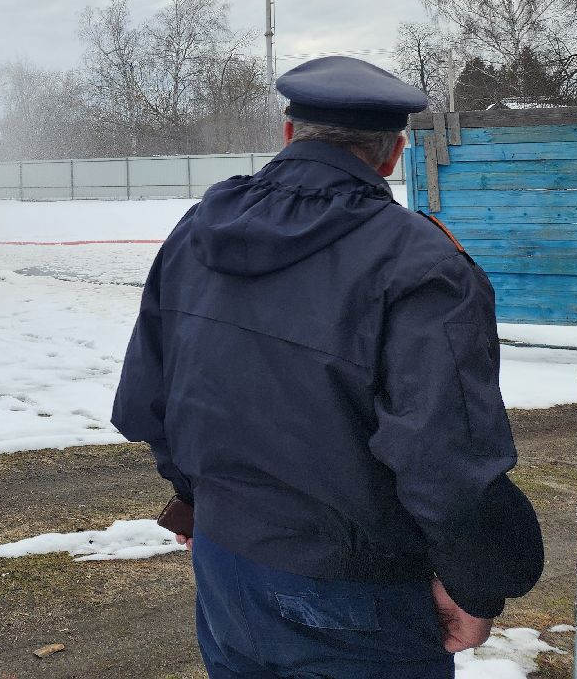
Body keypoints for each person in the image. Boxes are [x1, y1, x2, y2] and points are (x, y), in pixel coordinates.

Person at [112, 56, 543, 679]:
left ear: (289, 135)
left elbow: (148, 397)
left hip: (226, 561)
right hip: (356, 586)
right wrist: (474, 585)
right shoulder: (419, 260)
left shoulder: (200, 228)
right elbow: (444, 456)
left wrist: (195, 499)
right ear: (393, 155)